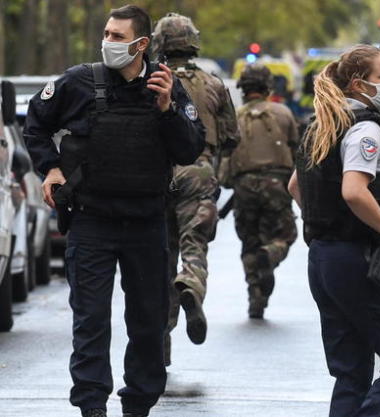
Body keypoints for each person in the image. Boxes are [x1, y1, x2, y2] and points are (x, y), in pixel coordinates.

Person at [23, 5, 204, 417]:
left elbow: (190, 147)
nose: (108, 42)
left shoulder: (166, 86)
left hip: (145, 223)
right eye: (106, 33)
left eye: (117, 37)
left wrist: (167, 112)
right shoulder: (79, 82)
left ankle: (138, 403)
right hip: (92, 222)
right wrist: (50, 170)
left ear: (141, 45)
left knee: (148, 323)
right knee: (90, 322)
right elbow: (36, 122)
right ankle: (92, 406)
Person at [287, 44, 380, 417]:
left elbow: (295, 187)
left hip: (324, 260)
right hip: (363, 261)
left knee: (351, 373)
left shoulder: (322, 124)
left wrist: (327, 223)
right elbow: (354, 191)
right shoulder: (367, 129)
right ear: (359, 84)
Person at [152, 12, 240, 364]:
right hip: (199, 175)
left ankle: (160, 344)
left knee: (160, 258)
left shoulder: (151, 80)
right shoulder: (214, 84)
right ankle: (191, 284)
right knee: (193, 246)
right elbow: (232, 137)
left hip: (157, 177)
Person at [227, 63, 299, 319]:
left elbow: (225, 158)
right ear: (268, 87)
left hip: (243, 188)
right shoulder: (283, 113)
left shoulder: (234, 116)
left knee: (249, 242)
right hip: (277, 186)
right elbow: (296, 151)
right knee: (285, 235)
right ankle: (270, 255)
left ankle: (255, 298)